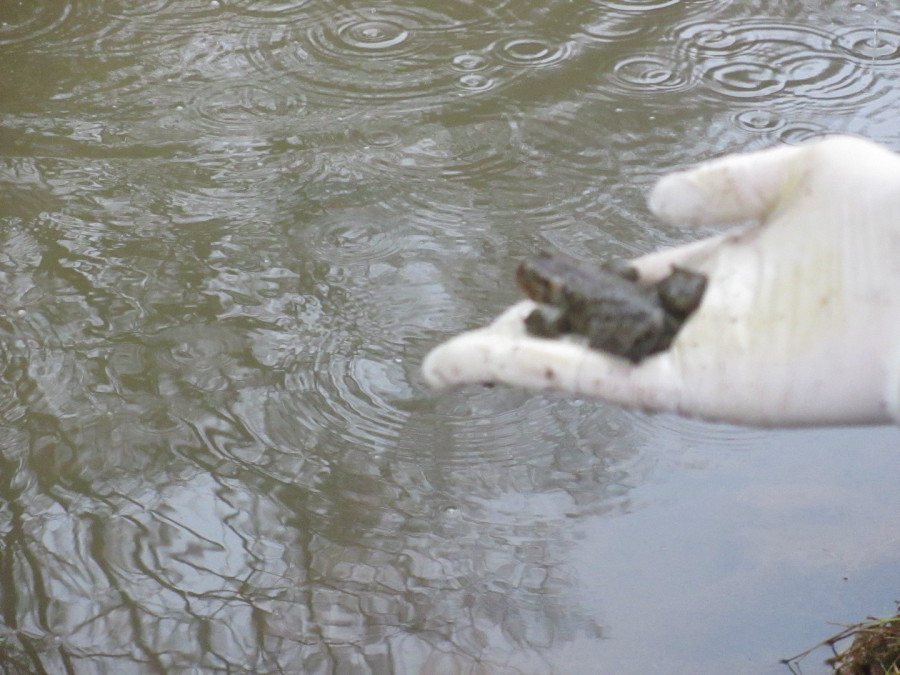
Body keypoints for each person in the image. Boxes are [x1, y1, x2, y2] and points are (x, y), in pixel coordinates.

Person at [422, 135, 900, 427]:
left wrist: (535, 323)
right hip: (658, 305)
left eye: (539, 279)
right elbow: (626, 273)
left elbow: (551, 322)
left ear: (552, 288)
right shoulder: (603, 275)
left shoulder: (560, 305)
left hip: (640, 326)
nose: (530, 280)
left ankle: (634, 346)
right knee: (660, 289)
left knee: (591, 327)